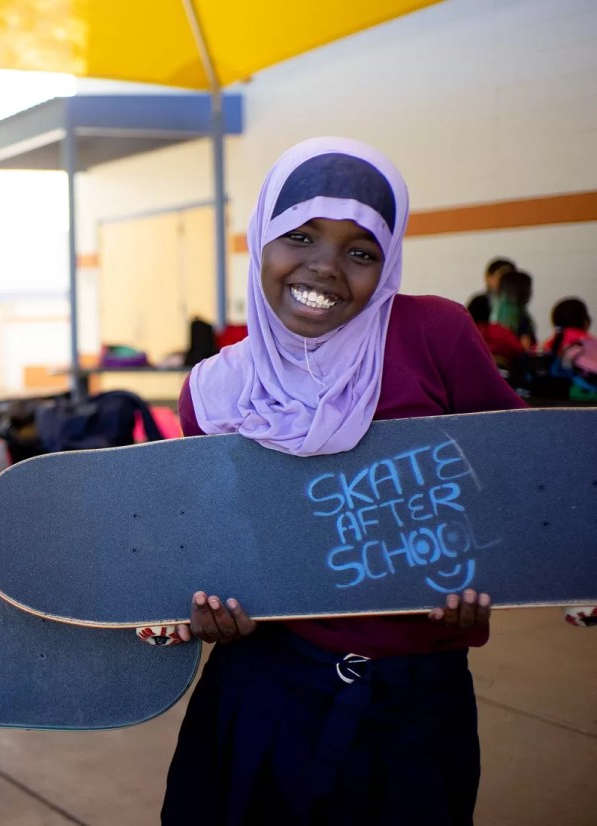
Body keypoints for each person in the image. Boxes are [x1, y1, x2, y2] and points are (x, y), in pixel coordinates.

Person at [151, 138, 526, 825]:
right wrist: (207, 609)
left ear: (389, 261)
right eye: (299, 236)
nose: (324, 266)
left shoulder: (434, 334)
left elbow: (525, 476)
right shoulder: (214, 391)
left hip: (415, 701)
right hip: (265, 692)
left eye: (361, 250)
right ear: (261, 239)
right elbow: (213, 541)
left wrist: (492, 575)